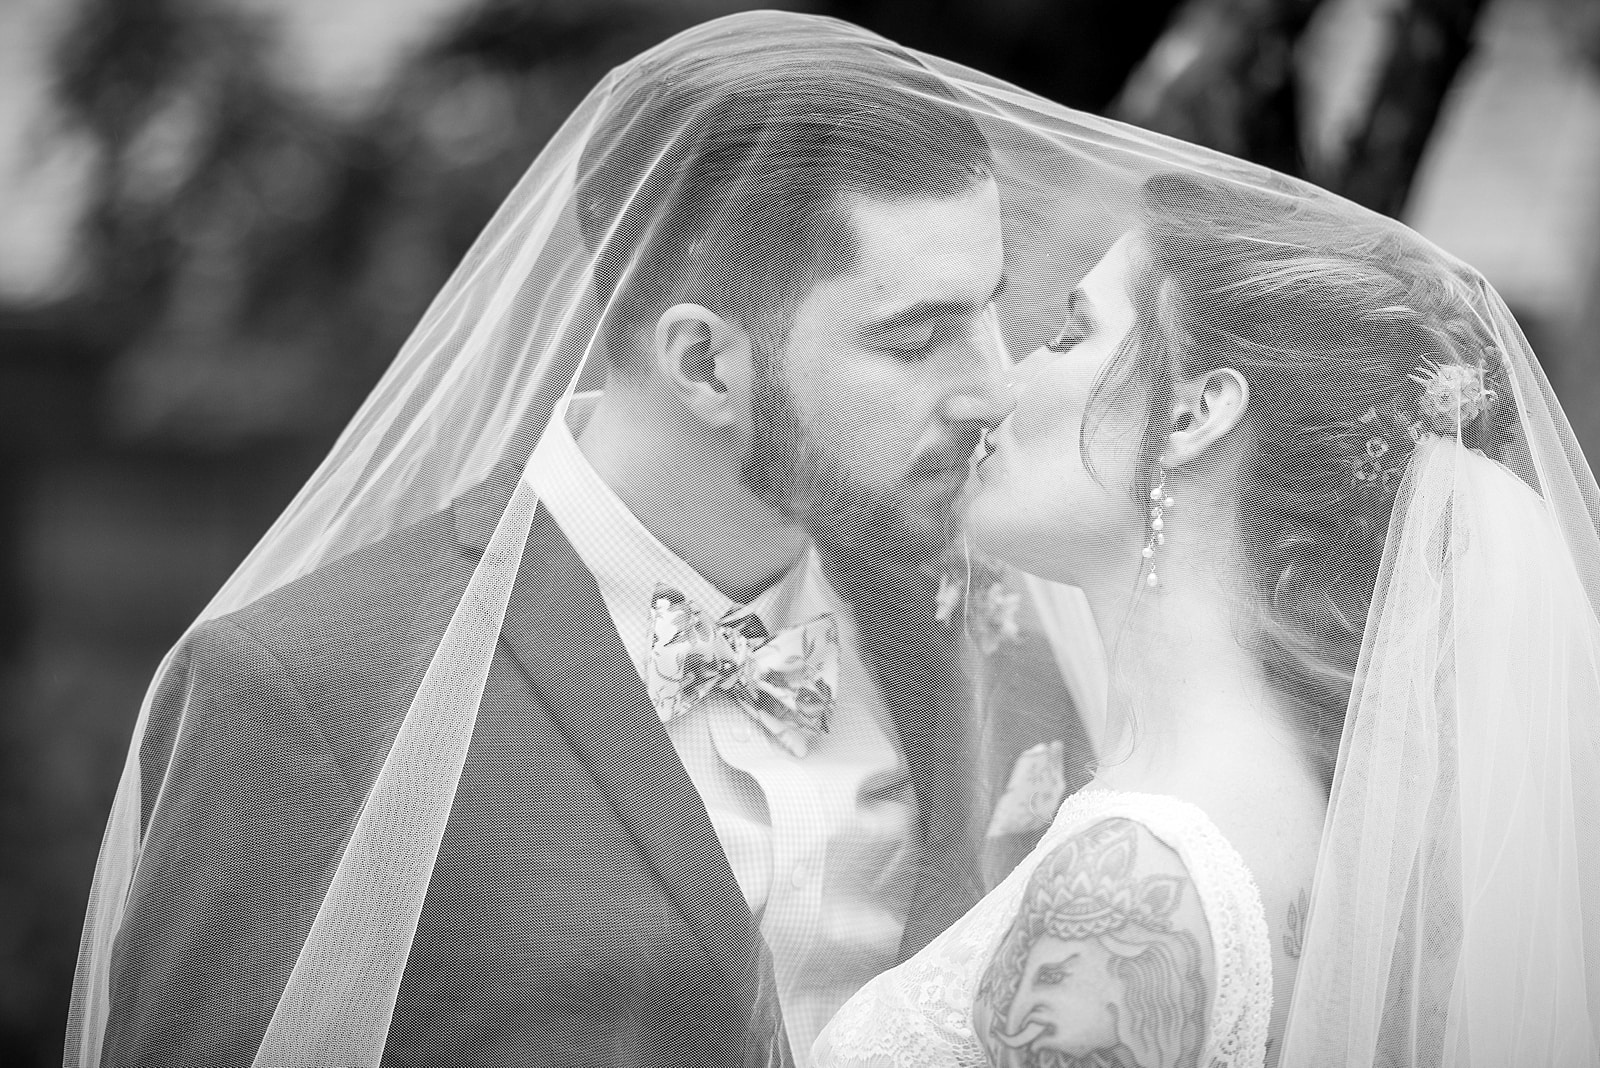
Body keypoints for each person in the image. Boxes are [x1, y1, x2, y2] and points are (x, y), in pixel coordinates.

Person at [64, 14, 1083, 1068]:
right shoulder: (306, 696)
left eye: (990, 314)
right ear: (703, 364)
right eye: (916, 339)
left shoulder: (988, 626)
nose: (994, 387)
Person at [814, 169, 1600, 1066]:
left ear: (1195, 413)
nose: (1002, 388)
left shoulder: (1130, 885)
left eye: (1070, 335)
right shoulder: (1312, 822)